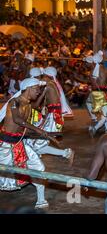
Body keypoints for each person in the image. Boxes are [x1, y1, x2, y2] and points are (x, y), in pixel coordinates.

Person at [0, 78, 60, 209]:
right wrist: (40, 131)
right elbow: (17, 119)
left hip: (19, 144)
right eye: (37, 89)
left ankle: (41, 200)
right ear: (29, 88)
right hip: (4, 145)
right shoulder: (14, 102)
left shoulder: (28, 105)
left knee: (39, 168)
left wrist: (44, 134)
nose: (39, 92)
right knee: (4, 174)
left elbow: (23, 126)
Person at [26, 67, 74, 163]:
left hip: (53, 117)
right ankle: (65, 153)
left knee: (37, 144)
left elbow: (36, 104)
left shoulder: (47, 84)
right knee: (38, 142)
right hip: (54, 116)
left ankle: (66, 153)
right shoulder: (53, 83)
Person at [84, 51, 107, 137]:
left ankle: (98, 127)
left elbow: (93, 85)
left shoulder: (92, 71)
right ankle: (102, 128)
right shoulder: (106, 69)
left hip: (96, 94)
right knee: (106, 113)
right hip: (105, 93)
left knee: (105, 113)